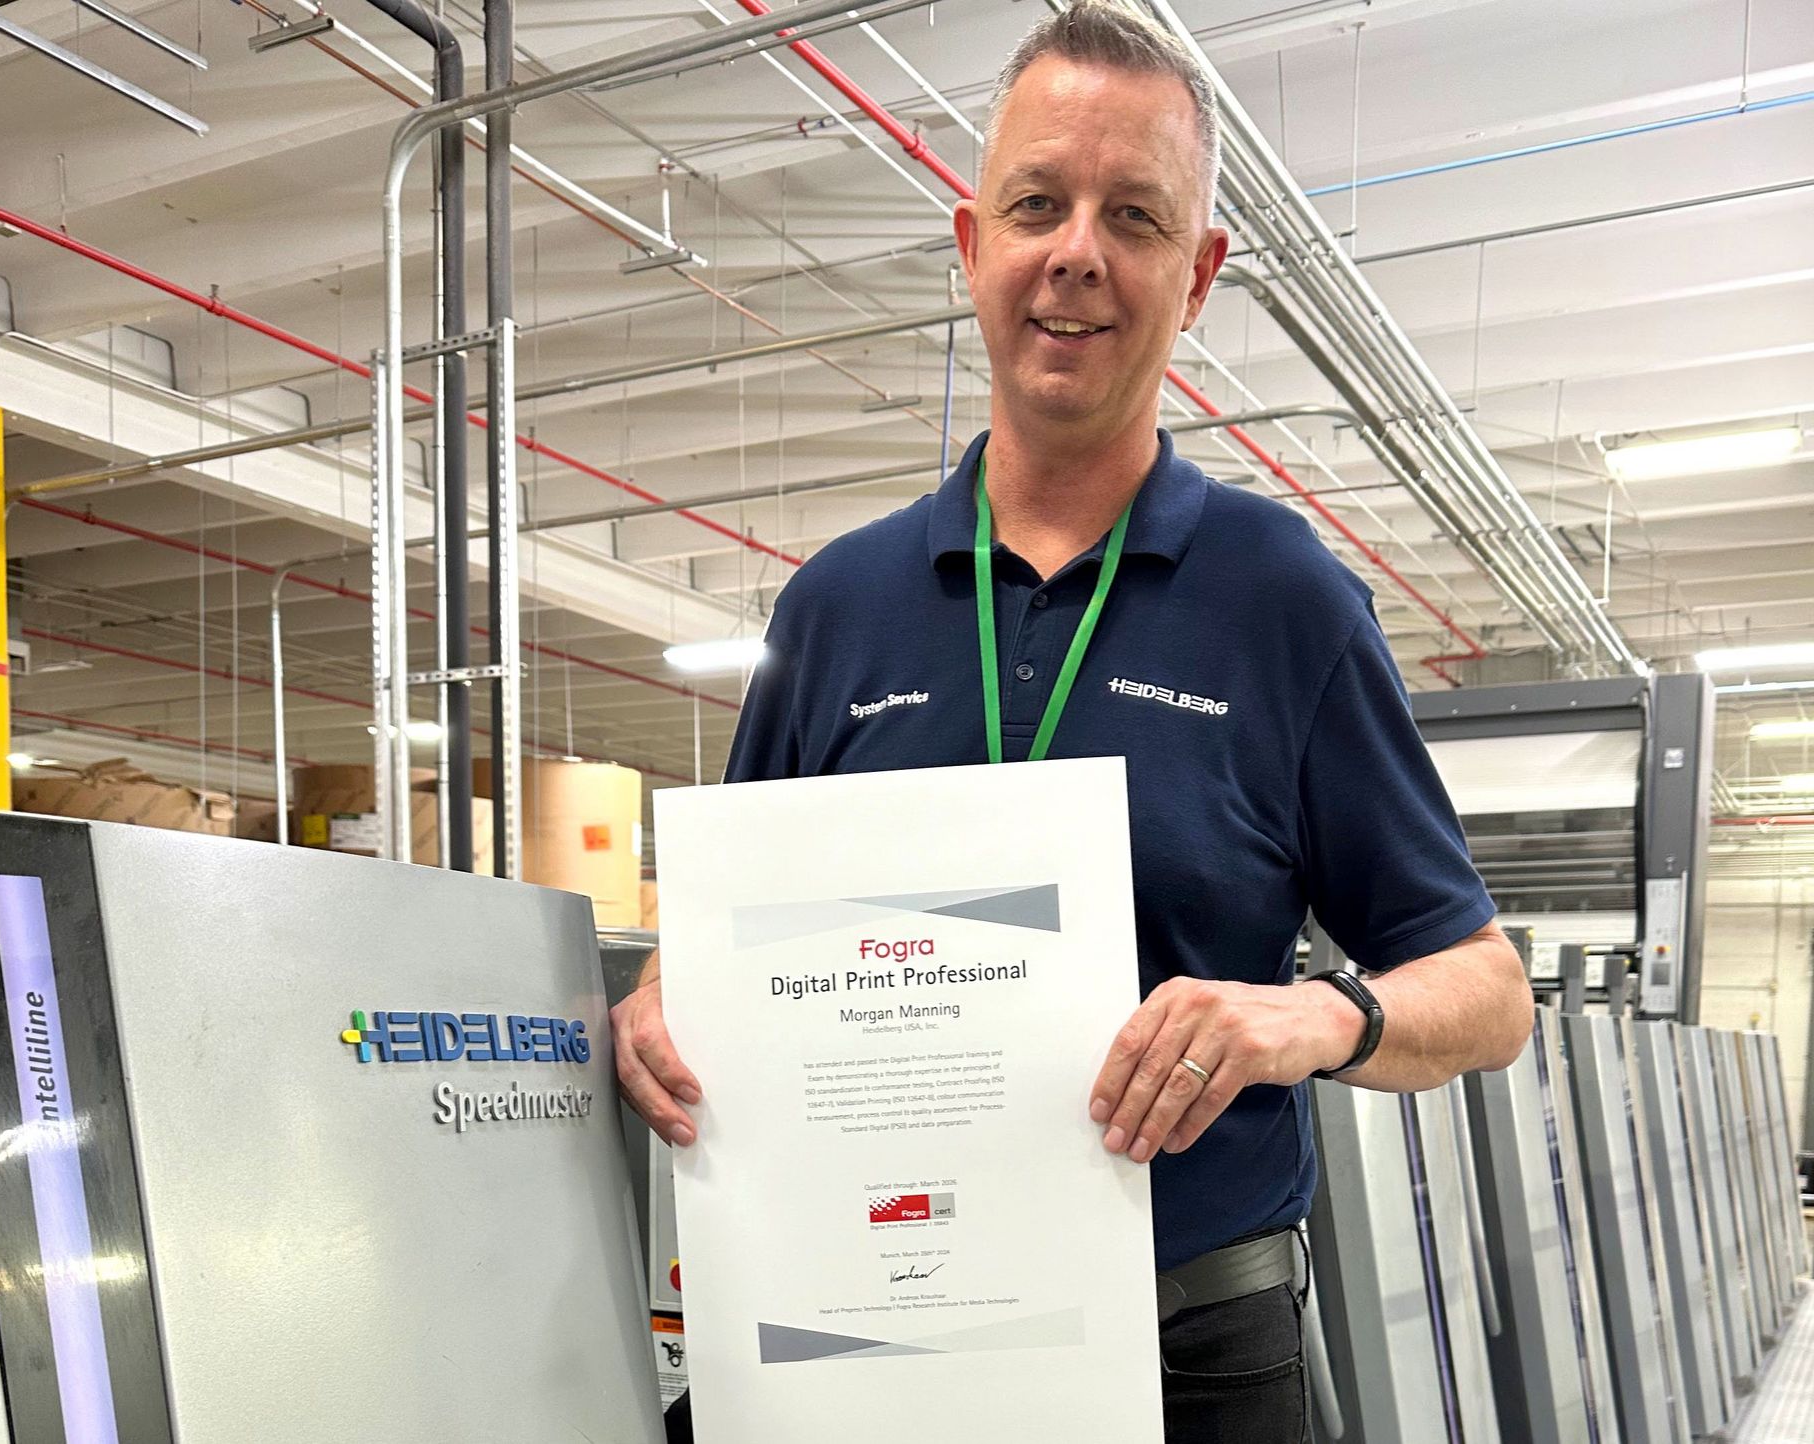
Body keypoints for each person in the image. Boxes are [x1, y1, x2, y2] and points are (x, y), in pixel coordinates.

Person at [621, 3, 1535, 1438]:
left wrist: (1306, 1015)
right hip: (867, 1330)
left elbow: (1486, 992)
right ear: (972, 239)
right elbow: (725, 952)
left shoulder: (1286, 602)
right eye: (1039, 204)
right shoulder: (835, 611)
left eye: (1136, 216)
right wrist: (669, 1009)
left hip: (1193, 1353)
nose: (1078, 255)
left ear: (1202, 270)